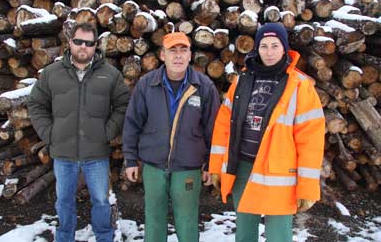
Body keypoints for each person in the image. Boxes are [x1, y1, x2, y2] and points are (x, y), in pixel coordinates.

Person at [209, 23, 325, 242]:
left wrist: (308, 187)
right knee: (244, 233)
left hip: (280, 173)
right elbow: (224, 126)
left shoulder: (300, 86)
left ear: (284, 48)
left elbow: (311, 140)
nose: (269, 52)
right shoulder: (242, 80)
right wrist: (217, 167)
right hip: (243, 167)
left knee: (278, 235)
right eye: (264, 46)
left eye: (275, 45)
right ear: (257, 49)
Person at [27, 23, 130, 242]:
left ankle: (104, 237)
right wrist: (49, 133)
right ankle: (65, 238)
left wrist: (107, 132)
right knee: (63, 202)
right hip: (63, 152)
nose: (83, 47)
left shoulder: (110, 74)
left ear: (95, 46)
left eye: (89, 43)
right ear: (70, 43)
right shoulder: (52, 73)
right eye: (78, 41)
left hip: (96, 153)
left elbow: (124, 104)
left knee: (101, 201)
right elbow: (35, 104)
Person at [122, 32, 221, 242]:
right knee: (154, 218)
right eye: (172, 51)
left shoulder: (204, 87)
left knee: (187, 221)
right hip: (153, 165)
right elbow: (132, 123)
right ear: (162, 55)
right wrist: (130, 159)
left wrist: (211, 164)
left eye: (183, 50)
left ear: (190, 55)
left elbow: (214, 130)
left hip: (189, 166)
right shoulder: (146, 85)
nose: (178, 56)